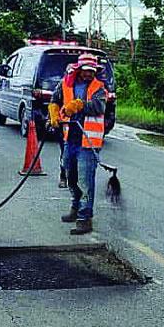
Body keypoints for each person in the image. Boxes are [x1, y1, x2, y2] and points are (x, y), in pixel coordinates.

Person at [48, 53, 108, 235]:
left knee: (85, 180)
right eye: (86, 70)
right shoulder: (66, 84)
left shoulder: (99, 88)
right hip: (70, 138)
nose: (89, 74)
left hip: (88, 141)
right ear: (79, 69)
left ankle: (85, 218)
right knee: (70, 175)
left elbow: (99, 107)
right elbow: (55, 101)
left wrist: (80, 105)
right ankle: (75, 208)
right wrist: (53, 113)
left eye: (92, 71)